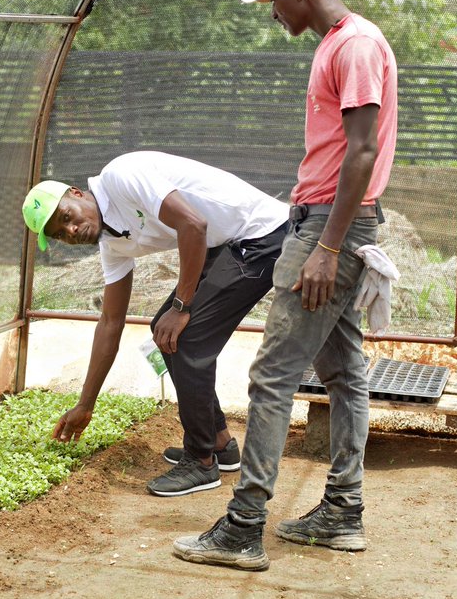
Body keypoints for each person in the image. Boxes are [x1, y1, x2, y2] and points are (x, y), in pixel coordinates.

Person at [173, 0, 397, 571]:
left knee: (271, 376)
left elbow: (361, 150)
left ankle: (243, 526)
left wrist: (326, 247)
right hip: (332, 222)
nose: (272, 11)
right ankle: (343, 511)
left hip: (330, 228)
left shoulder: (351, 46)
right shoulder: (345, 42)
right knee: (344, 372)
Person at [21, 151, 289, 497]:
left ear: (76, 193)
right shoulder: (113, 244)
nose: (71, 230)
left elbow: (193, 225)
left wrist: (181, 305)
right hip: (227, 243)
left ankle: (200, 460)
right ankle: (218, 442)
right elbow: (110, 322)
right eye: (60, 233)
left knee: (186, 336)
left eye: (66, 217)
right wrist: (85, 404)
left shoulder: (120, 176)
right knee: (162, 331)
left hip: (263, 235)